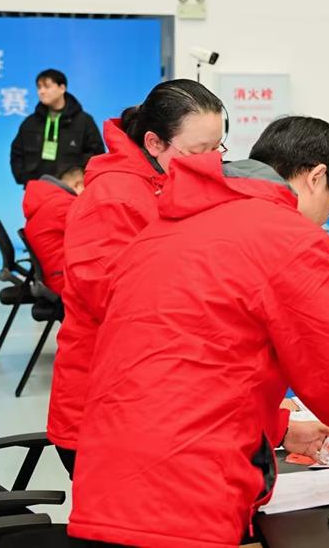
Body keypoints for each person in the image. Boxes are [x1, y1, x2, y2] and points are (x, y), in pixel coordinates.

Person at [68, 117, 329, 548]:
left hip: (107, 481)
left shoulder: (168, 226)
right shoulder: (288, 237)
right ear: (316, 176)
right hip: (184, 495)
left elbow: (195, 360)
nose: (328, 216)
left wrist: (280, 429)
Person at [47, 79, 226, 477]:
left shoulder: (165, 185)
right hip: (105, 407)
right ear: (154, 142)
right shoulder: (114, 199)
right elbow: (122, 307)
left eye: (218, 148)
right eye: (199, 150)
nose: (211, 162)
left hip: (144, 397)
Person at [10, 69, 105, 186]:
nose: (41, 91)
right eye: (39, 87)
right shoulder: (30, 122)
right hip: (37, 188)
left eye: (47, 86)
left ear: (62, 88)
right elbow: (17, 152)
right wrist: (25, 178)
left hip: (71, 189)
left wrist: (78, 178)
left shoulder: (84, 121)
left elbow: (96, 154)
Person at [21, 165, 85, 296]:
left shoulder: (47, 202)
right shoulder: (64, 205)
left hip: (54, 278)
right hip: (65, 283)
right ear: (79, 185)